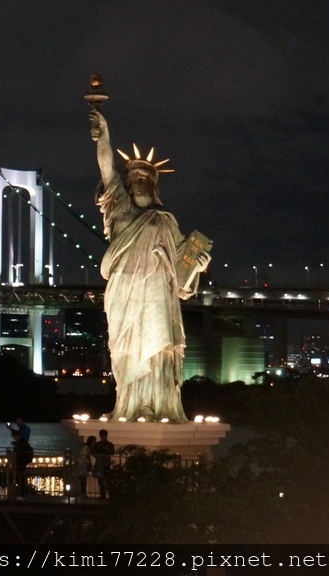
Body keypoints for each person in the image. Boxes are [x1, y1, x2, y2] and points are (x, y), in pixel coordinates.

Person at [90, 108, 211, 422]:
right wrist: (103, 134)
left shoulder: (165, 221)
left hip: (157, 294)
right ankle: (128, 406)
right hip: (124, 293)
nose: (137, 182)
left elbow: (182, 273)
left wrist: (198, 264)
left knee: (157, 348)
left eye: (144, 178)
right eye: (133, 178)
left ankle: (157, 406)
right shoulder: (119, 208)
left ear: (154, 183)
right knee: (125, 349)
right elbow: (106, 168)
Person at [92, 428, 115, 499]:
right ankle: (103, 494)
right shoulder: (98, 444)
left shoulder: (109, 444)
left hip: (106, 464)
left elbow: (112, 452)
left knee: (108, 480)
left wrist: (105, 450)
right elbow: (93, 452)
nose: (102, 437)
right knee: (101, 480)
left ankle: (110, 494)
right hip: (100, 464)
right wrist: (97, 456)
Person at [11, 431, 34, 500]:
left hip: (20, 462)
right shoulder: (23, 442)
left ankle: (23, 491)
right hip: (22, 462)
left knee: (20, 476)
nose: (14, 438)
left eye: (14, 437)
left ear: (17, 435)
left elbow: (19, 451)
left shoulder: (21, 443)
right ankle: (23, 491)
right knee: (20, 475)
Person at [75, 435, 96, 500]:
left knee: (83, 479)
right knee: (83, 479)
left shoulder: (86, 447)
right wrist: (88, 462)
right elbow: (83, 456)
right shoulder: (86, 447)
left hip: (82, 464)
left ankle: (83, 493)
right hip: (82, 465)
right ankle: (83, 493)